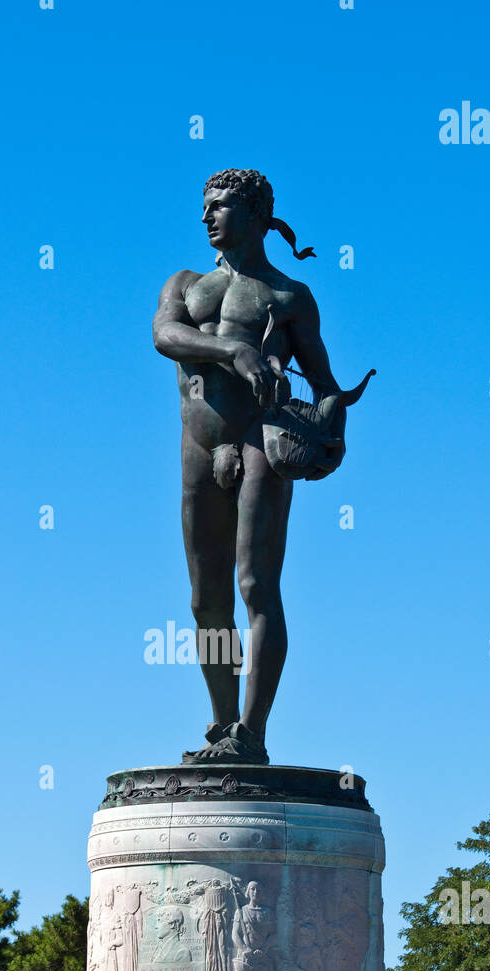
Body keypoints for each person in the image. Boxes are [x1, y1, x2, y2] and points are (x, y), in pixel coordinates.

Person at [153, 168, 372, 765]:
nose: (207, 217)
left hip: (258, 446)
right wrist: (235, 349)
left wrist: (333, 428)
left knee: (255, 586)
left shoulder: (289, 297)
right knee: (205, 600)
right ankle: (222, 726)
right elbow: (165, 336)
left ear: (256, 214)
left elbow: (324, 385)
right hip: (199, 448)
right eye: (204, 207)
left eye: (221, 206)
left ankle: (251, 733)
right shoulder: (185, 284)